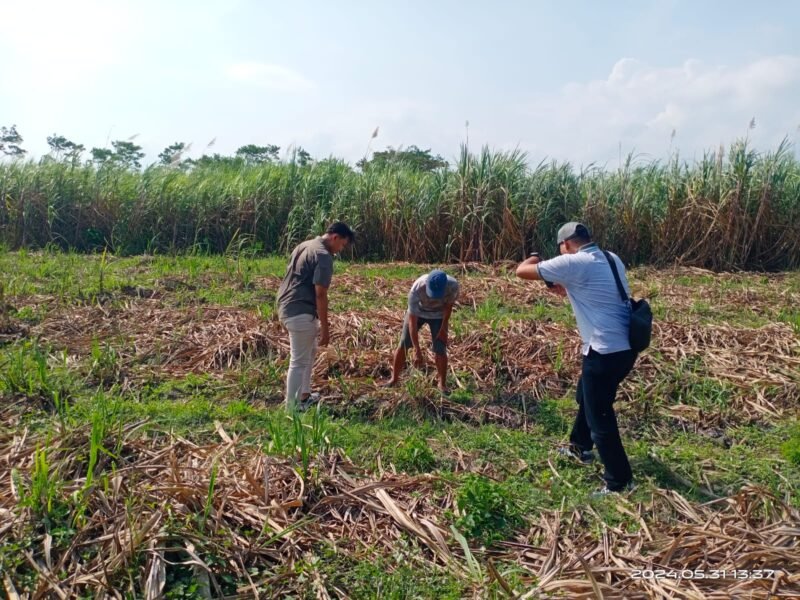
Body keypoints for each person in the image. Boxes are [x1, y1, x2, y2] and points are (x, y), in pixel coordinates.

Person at [516, 222, 638, 496]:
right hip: (625, 347)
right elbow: (592, 285)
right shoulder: (610, 257)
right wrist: (557, 282)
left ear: (566, 245)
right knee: (587, 395)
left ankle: (619, 481)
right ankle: (578, 447)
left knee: (600, 416)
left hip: (603, 350)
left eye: (561, 250)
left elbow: (522, 271)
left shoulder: (574, 262)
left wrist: (535, 257)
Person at [276, 222, 354, 410]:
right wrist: (325, 329)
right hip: (300, 310)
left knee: (308, 353)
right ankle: (292, 407)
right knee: (299, 361)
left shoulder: (304, 245)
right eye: (342, 245)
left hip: (286, 305)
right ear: (335, 237)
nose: (340, 250)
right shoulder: (323, 256)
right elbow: (320, 293)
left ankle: (304, 396)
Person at [383, 269, 459, 393]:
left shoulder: (453, 286)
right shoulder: (417, 287)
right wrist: (417, 350)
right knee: (404, 343)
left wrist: (443, 328)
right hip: (418, 313)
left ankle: (442, 384)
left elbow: (448, 307)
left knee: (440, 347)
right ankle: (394, 379)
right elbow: (412, 321)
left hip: (439, 316)